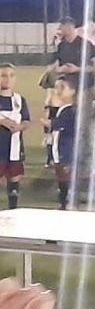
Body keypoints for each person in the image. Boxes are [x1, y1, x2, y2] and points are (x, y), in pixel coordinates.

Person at [0, 64, 30, 209]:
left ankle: (13, 209)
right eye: (3, 75)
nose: (8, 79)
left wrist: (20, 126)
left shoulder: (19, 100)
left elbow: (26, 120)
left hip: (14, 147)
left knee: (14, 178)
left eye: (11, 75)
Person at [50, 76, 77, 210]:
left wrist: (50, 123)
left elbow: (64, 128)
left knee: (66, 179)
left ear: (72, 91)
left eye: (62, 88)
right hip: (59, 151)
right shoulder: (59, 109)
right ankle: (63, 202)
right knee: (61, 179)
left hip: (66, 151)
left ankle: (68, 203)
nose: (58, 91)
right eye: (56, 87)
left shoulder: (71, 110)